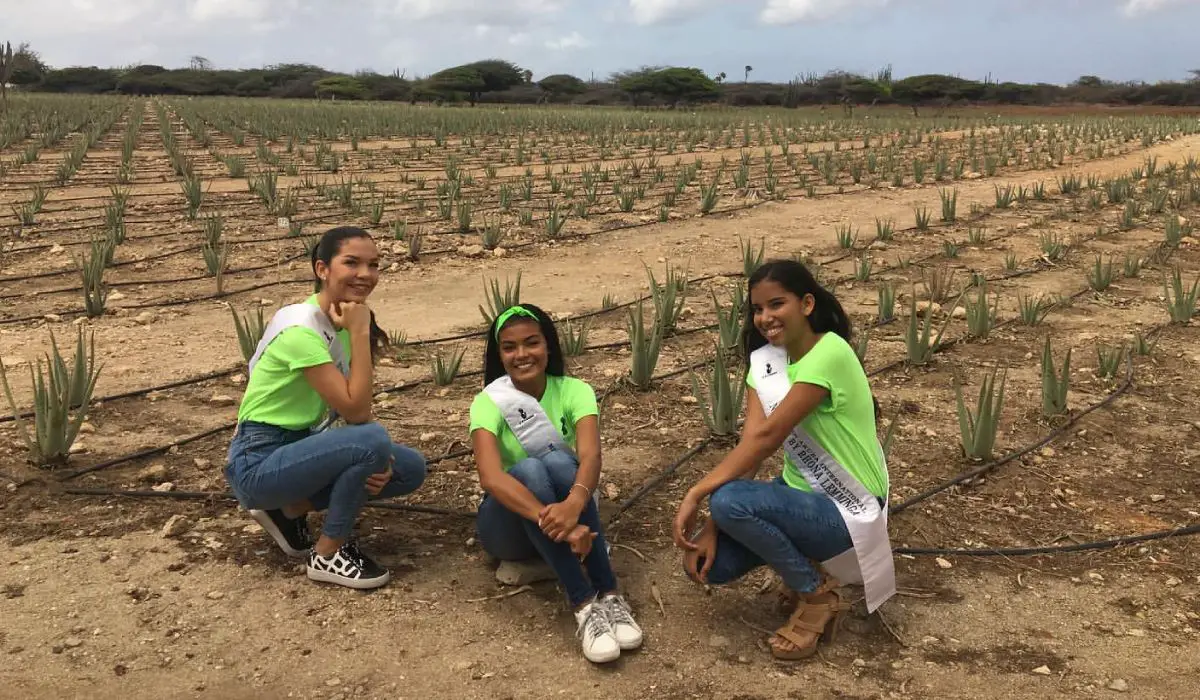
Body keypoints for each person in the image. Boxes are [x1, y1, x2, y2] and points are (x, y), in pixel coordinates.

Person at [671, 259, 895, 661]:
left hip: (847, 508)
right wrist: (712, 526)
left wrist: (698, 493)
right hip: (799, 496)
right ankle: (805, 568)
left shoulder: (830, 351)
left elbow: (769, 437)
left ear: (807, 304)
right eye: (757, 309)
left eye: (777, 304)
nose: (765, 317)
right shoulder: (767, 363)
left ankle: (815, 596)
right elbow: (751, 446)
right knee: (710, 565)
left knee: (729, 501)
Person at [224, 226, 426, 590]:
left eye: (373, 265)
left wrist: (378, 456)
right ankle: (329, 554)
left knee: (409, 468)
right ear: (322, 269)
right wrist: (361, 332)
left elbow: (355, 405)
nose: (365, 274)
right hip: (258, 460)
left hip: (300, 445)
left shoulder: (343, 317)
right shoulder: (302, 330)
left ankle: (289, 509)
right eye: (351, 262)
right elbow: (357, 412)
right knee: (371, 439)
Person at [468, 303, 643, 664]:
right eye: (509, 347)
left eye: (532, 343)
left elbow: (591, 457)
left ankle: (609, 595)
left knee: (562, 462)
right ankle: (583, 602)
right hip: (509, 527)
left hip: (567, 514)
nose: (522, 355)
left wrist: (574, 507)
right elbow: (491, 477)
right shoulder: (488, 402)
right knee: (531, 470)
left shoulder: (574, 391)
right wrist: (561, 523)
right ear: (499, 355)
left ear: (548, 345)